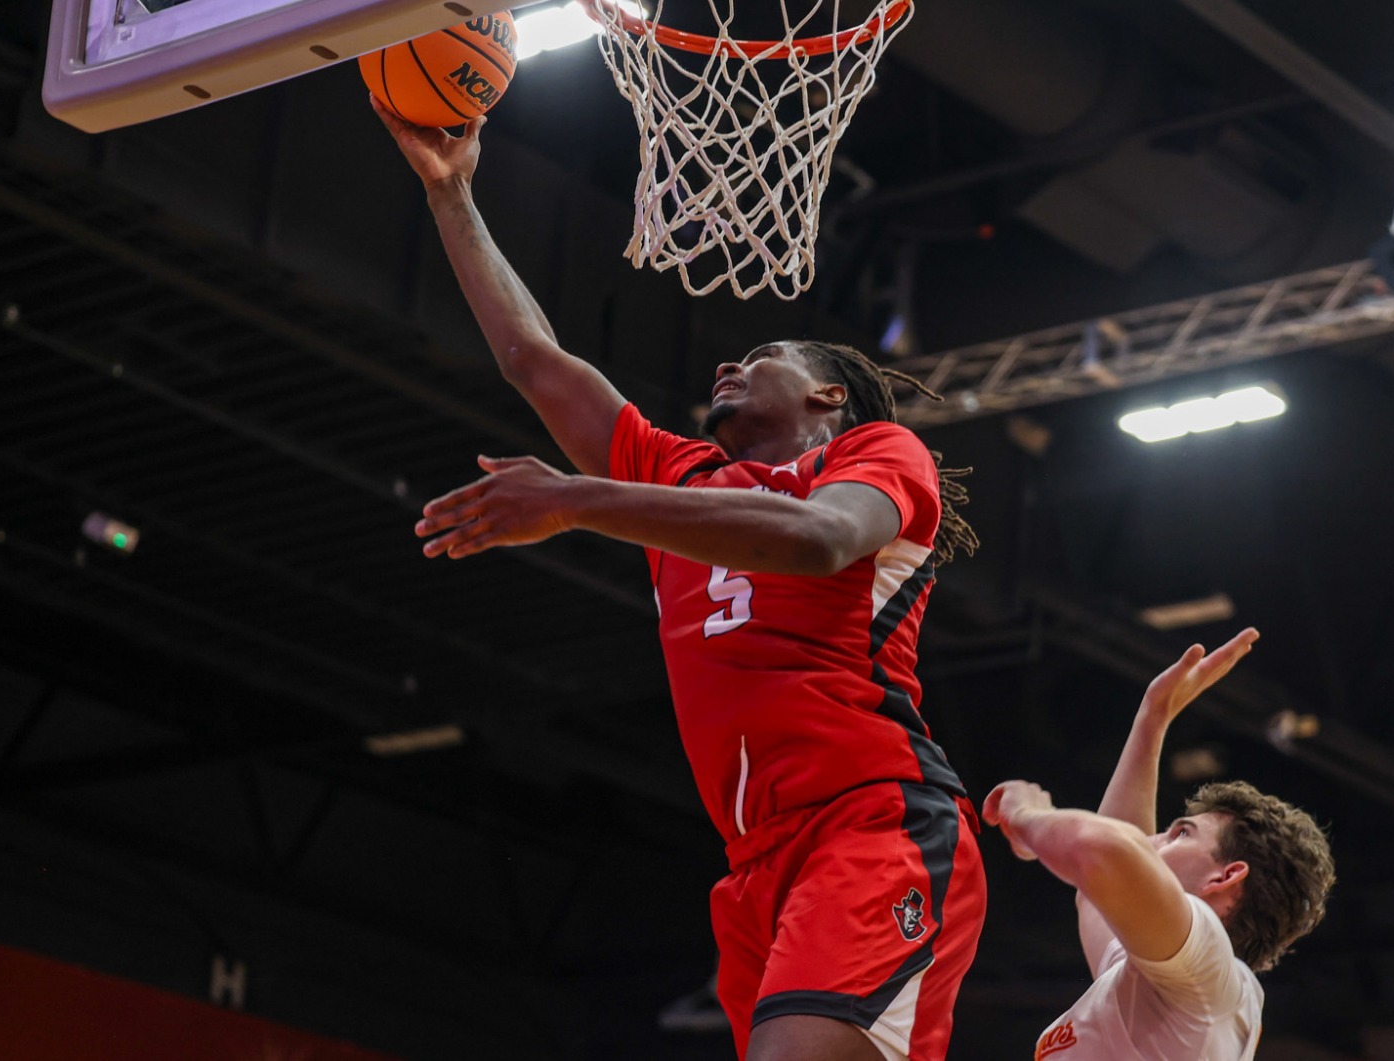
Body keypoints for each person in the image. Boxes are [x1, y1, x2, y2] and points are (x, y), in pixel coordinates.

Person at [372, 101, 985, 1061]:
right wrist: (451, 194)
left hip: (872, 817)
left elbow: (822, 542)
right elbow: (533, 360)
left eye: (765, 357)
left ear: (828, 396)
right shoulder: (679, 478)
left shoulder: (874, 452)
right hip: (754, 862)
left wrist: (579, 501)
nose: (730, 362)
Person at [983, 629, 1335, 1061]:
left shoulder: (1204, 972)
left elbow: (1103, 850)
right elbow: (1100, 893)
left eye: (1181, 833)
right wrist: (1153, 718)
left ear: (1225, 877)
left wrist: (1026, 816)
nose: (1153, 839)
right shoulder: (1169, 987)